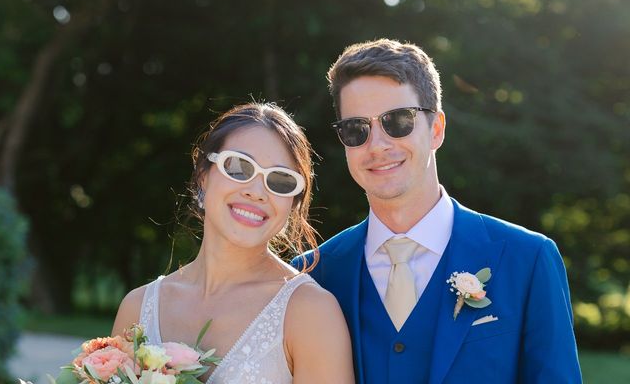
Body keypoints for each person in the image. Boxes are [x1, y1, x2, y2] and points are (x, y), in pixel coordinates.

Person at [296, 39, 582, 383]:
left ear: (436, 129)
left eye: (397, 121)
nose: (378, 145)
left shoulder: (529, 259)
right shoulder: (312, 276)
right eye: (356, 129)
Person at [112, 102, 354, 383]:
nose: (256, 191)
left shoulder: (311, 314)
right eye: (239, 167)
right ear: (203, 176)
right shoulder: (137, 308)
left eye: (280, 181)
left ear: (292, 204)